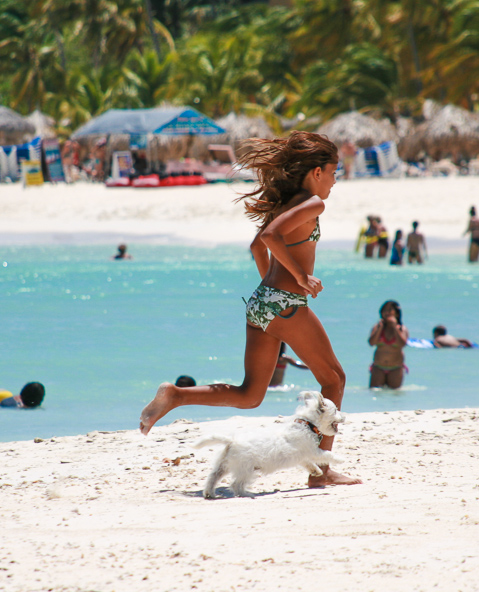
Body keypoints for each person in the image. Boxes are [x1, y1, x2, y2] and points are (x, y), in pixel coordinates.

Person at [139, 131, 357, 488]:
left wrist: (272, 292)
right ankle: (322, 472)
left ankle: (176, 396)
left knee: (250, 395)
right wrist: (300, 278)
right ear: (317, 172)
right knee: (334, 379)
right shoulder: (313, 204)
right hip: (282, 305)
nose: (335, 181)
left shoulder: (289, 203)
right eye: (334, 172)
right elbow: (269, 238)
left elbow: (258, 246)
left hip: (261, 304)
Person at [368, 301, 408, 389]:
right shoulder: (377, 327)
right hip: (378, 367)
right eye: (384, 310)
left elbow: (402, 344)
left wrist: (394, 327)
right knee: (374, 392)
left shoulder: (402, 329)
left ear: (397, 314)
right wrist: (380, 328)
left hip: (396, 368)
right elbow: (371, 343)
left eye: (389, 310)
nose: (386, 313)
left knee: (394, 395)